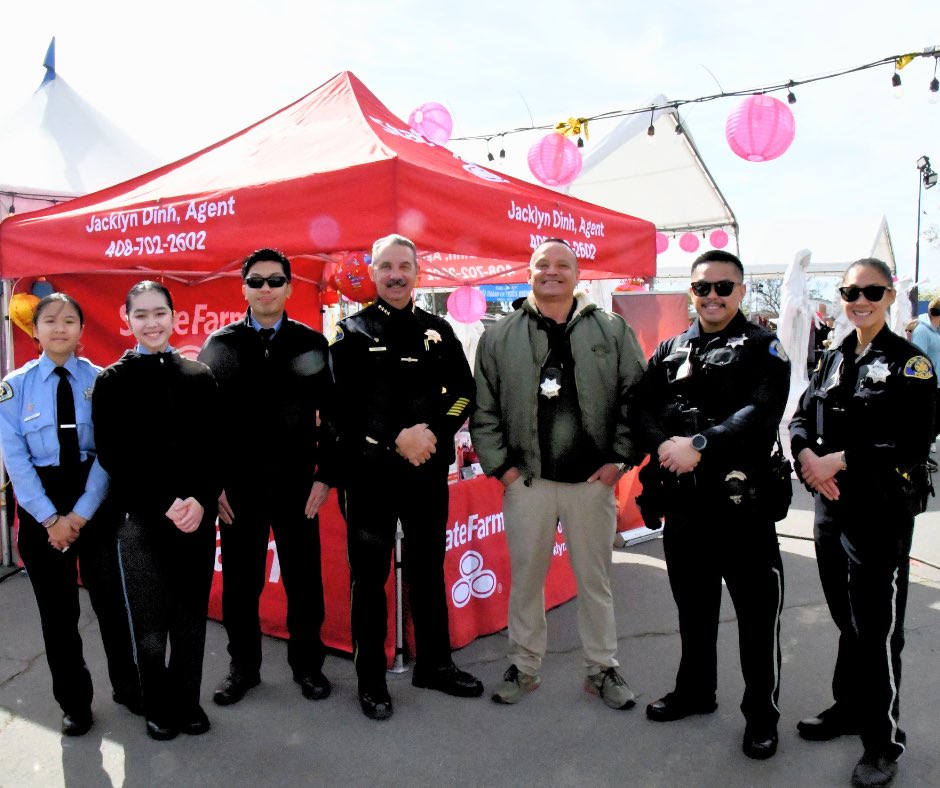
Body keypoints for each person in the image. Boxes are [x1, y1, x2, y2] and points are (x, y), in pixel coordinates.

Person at [471, 238, 646, 709]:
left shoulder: (612, 330)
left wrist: (619, 461)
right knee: (527, 580)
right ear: (529, 272)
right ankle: (524, 667)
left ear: (577, 274)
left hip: (592, 483)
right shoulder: (500, 335)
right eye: (542, 264)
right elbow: (484, 409)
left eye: (562, 265)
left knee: (595, 581)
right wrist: (502, 469)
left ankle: (602, 669)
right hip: (528, 482)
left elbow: (636, 398)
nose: (551, 272)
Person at [631, 249, 788, 760]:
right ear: (692, 292)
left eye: (723, 287)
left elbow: (762, 412)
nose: (713, 296)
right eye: (703, 287)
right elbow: (640, 405)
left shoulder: (763, 347)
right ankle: (696, 691)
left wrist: (700, 445)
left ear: (741, 291)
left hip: (743, 507)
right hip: (685, 507)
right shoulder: (672, 347)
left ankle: (761, 716)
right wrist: (663, 446)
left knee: (757, 619)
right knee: (694, 611)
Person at [789, 258, 935, 788]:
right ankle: (850, 707)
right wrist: (807, 456)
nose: (860, 301)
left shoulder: (910, 363)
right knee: (848, 621)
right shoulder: (834, 356)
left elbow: (914, 441)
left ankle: (883, 741)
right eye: (851, 292)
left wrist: (842, 459)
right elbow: (802, 415)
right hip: (830, 509)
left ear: (891, 296)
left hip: (881, 513)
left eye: (872, 292)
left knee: (876, 631)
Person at [329, 233, 483, 721]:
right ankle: (371, 678)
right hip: (370, 474)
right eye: (386, 267)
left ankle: (434, 664)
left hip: (426, 469)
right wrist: (396, 437)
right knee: (369, 577)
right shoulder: (351, 332)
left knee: (428, 568)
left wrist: (432, 434)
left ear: (418, 272)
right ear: (373, 272)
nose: (395, 275)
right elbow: (341, 406)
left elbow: (464, 392)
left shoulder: (438, 330)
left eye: (404, 266)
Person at [198, 248, 336, 708]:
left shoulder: (310, 342)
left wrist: (325, 476)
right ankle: (243, 668)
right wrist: (213, 483)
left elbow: (334, 415)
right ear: (243, 288)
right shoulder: (221, 344)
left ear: (289, 288)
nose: (266, 289)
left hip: (298, 484)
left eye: (275, 281)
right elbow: (203, 421)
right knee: (241, 584)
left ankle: (308, 666)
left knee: (304, 581)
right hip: (239, 488)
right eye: (256, 281)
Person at [0, 293, 140, 736]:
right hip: (40, 505)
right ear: (35, 330)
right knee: (58, 615)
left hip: (93, 500)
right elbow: (15, 461)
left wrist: (79, 516)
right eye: (50, 321)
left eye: (69, 321)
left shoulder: (102, 381)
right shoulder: (14, 387)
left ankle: (129, 687)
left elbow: (108, 453)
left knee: (112, 604)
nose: (60, 328)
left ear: (81, 329)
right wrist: (50, 520)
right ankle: (75, 703)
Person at [91, 281, 221, 741]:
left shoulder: (199, 376)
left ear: (174, 316)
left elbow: (216, 448)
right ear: (126, 319)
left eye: (160, 313)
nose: (152, 323)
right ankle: (158, 704)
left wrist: (201, 499)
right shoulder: (112, 381)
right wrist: (165, 504)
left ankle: (188, 701)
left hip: (196, 518)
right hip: (142, 521)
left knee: (190, 616)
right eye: (141, 314)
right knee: (149, 621)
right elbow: (114, 457)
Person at [910, 296, 940, 470]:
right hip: (929, 384)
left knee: (935, 419)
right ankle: (922, 453)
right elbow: (918, 359)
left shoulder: (936, 331)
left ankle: (926, 446)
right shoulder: (922, 331)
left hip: (937, 383)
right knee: (928, 420)